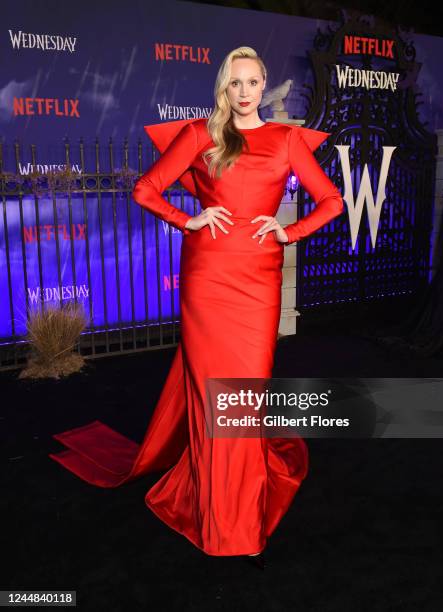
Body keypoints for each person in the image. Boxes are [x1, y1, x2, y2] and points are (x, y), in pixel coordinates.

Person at [49, 46, 344, 569]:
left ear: (264, 86)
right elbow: (145, 190)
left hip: (258, 282)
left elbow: (333, 202)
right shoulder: (200, 136)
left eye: (254, 82)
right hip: (208, 282)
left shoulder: (286, 140)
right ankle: (223, 519)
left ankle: (237, 506)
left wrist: (288, 230)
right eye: (237, 83)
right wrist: (188, 221)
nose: (247, 91)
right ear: (224, 89)